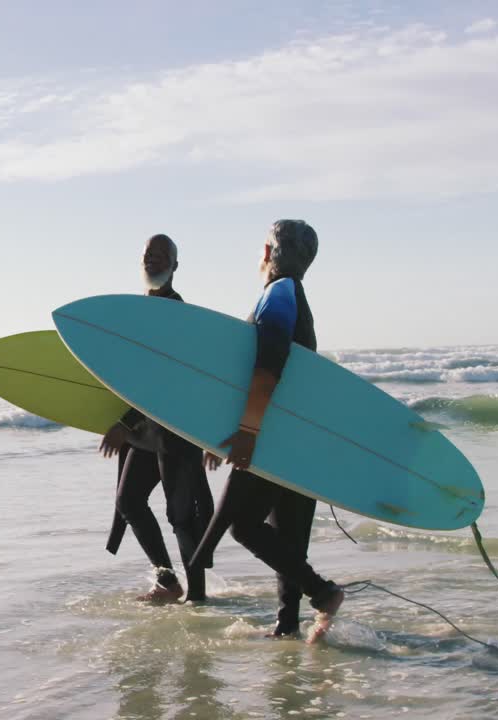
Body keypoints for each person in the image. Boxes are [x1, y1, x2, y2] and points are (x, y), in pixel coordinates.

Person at [190, 219, 344, 642]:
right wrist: (221, 430)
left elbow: (268, 365)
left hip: (275, 435)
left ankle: (322, 592)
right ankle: (288, 625)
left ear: (267, 253)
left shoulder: (278, 293)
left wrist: (246, 430)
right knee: (289, 537)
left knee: (244, 525)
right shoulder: (298, 297)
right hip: (300, 436)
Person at [101, 234, 214, 603]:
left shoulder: (176, 314)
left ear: (175, 266)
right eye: (148, 253)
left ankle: (197, 598)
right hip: (147, 433)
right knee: (130, 502)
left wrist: (125, 424)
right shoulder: (138, 311)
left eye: (161, 255)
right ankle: (167, 580)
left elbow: (166, 380)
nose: (153, 259)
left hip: (175, 433)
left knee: (181, 517)